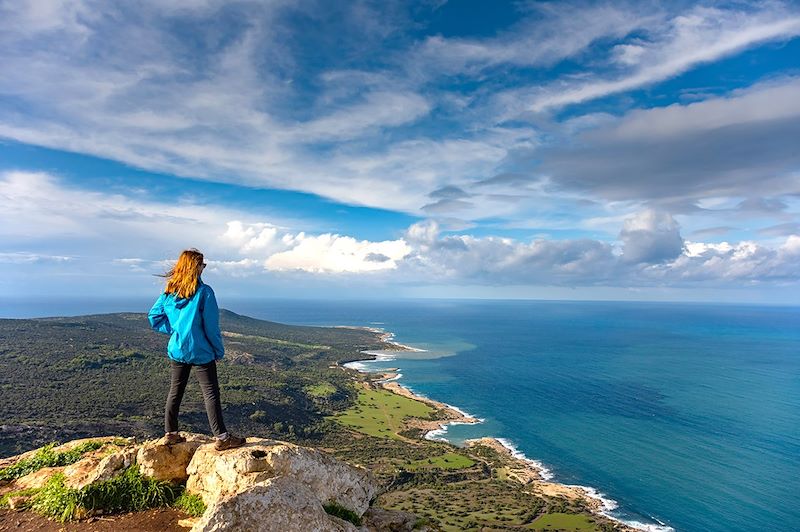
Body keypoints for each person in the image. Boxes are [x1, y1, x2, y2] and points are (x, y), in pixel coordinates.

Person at [147, 248, 245, 451]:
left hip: (178, 350)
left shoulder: (169, 292)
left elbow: (154, 317)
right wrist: (218, 351)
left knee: (175, 391)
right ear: (196, 267)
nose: (204, 268)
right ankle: (222, 437)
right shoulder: (204, 292)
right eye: (203, 265)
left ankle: (171, 434)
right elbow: (211, 327)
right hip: (201, 351)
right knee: (210, 394)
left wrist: (176, 331)